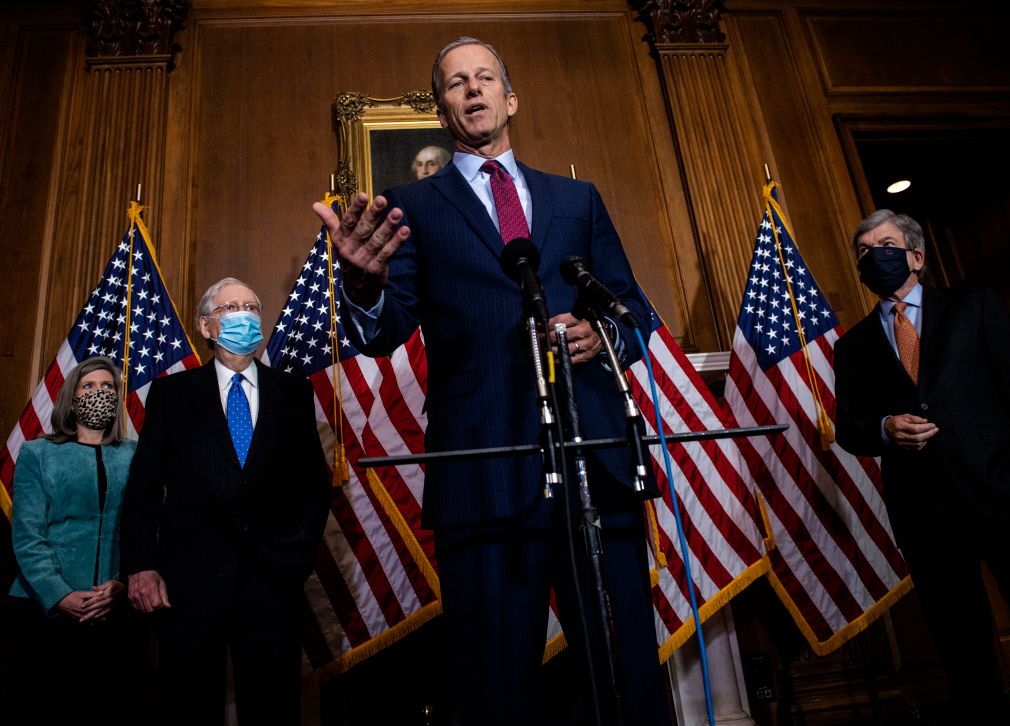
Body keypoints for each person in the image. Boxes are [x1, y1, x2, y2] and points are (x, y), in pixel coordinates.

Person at [314, 37, 672, 725]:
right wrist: (361, 282)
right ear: (443, 109)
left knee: (626, 671)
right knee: (494, 682)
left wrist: (602, 336)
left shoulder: (577, 198)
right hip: (484, 469)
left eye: (485, 78)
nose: (472, 90)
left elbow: (632, 308)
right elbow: (385, 329)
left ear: (511, 98)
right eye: (456, 83)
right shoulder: (411, 205)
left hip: (593, 455)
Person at [834, 209, 1010, 725]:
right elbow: (847, 428)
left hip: (1003, 488)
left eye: (888, 245)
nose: (877, 256)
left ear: (916, 256)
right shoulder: (851, 346)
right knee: (960, 637)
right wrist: (883, 427)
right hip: (923, 507)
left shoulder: (972, 304)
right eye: (866, 251)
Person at [119, 277, 330, 725]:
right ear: (206, 326)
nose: (245, 315)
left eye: (252, 306)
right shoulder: (173, 394)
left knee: (273, 707)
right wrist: (141, 565)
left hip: (273, 577)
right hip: (189, 580)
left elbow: (314, 482)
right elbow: (143, 487)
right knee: (190, 705)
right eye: (231, 307)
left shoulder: (294, 392)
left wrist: (299, 552)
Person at [4, 356, 143, 725]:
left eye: (108, 387)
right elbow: (28, 535)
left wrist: (124, 582)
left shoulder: (135, 455)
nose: (100, 393)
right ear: (71, 398)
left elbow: (149, 528)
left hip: (114, 607)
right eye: (89, 387)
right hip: (44, 609)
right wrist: (59, 594)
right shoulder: (38, 453)